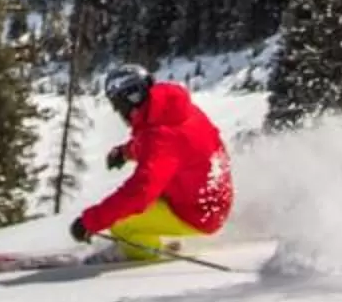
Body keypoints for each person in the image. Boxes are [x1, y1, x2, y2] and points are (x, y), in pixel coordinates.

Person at [73, 65, 233, 261]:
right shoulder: (172, 110)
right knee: (127, 208)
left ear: (130, 100)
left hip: (198, 214)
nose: (119, 113)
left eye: (118, 106)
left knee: (123, 224)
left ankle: (147, 256)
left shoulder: (161, 136)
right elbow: (159, 146)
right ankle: (158, 240)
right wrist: (125, 152)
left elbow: (140, 192)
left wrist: (91, 221)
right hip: (207, 200)